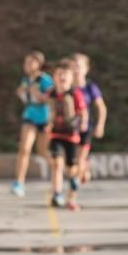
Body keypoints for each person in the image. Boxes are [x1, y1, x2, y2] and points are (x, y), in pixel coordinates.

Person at [46, 59, 89, 211]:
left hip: (71, 136)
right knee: (57, 163)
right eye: (59, 74)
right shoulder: (50, 93)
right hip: (55, 135)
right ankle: (57, 193)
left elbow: (83, 112)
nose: (62, 77)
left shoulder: (75, 94)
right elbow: (48, 109)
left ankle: (72, 195)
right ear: (54, 77)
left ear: (72, 78)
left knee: (72, 170)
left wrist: (82, 123)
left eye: (66, 74)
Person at [11, 51, 53, 198]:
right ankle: (19, 182)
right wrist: (22, 93)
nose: (26, 66)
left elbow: (51, 99)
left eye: (30, 62)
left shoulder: (45, 80)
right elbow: (25, 97)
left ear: (38, 64)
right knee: (24, 148)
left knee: (43, 152)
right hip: (29, 116)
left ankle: (60, 172)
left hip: (44, 118)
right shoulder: (26, 80)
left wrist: (38, 95)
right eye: (25, 63)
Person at [70, 53, 107, 185]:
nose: (75, 70)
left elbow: (101, 108)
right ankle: (84, 167)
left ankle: (72, 194)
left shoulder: (90, 87)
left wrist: (100, 125)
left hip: (85, 127)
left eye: (78, 67)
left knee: (79, 159)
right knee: (72, 161)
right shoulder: (66, 87)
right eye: (72, 67)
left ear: (86, 69)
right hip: (68, 128)